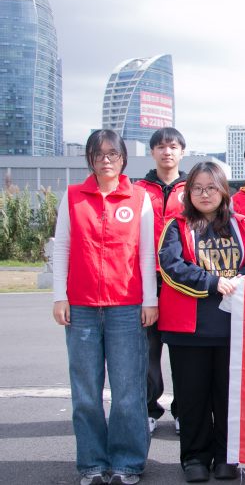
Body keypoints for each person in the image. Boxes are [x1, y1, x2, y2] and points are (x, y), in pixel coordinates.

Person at [52, 130, 158, 485]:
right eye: (98, 154)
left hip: (126, 306)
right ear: (89, 159)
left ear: (123, 157)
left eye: (113, 153)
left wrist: (150, 300)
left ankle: (127, 463)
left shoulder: (139, 197)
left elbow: (146, 253)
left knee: (128, 391)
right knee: (85, 392)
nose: (106, 159)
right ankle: (92, 463)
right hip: (81, 306)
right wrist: (59, 296)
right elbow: (62, 248)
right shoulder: (72, 197)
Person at [158, 162, 245, 482]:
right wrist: (213, 282)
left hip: (232, 329)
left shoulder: (242, 225)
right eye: (197, 188)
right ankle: (195, 458)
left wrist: (242, 278)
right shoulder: (176, 226)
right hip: (188, 329)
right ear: (188, 193)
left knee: (229, 398)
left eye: (211, 187)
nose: (204, 194)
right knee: (192, 399)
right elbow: (171, 266)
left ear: (223, 191)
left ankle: (228, 457)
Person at [135, 127, 187, 437]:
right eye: (161, 146)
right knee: (147, 351)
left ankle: (184, 410)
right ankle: (149, 409)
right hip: (147, 280)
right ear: (152, 152)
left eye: (173, 146)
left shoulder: (193, 188)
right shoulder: (137, 190)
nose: (167, 152)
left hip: (182, 282)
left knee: (183, 352)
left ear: (182, 152)